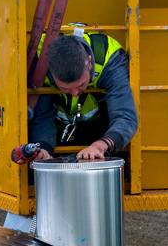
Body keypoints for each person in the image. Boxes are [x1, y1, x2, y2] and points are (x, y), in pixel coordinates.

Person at [28, 32, 137, 160]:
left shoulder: (109, 58)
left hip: (101, 127)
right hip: (57, 129)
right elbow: (42, 116)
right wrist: (43, 148)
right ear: (49, 69)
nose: (75, 94)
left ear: (90, 62)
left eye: (81, 85)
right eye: (64, 88)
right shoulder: (35, 62)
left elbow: (125, 116)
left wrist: (101, 145)